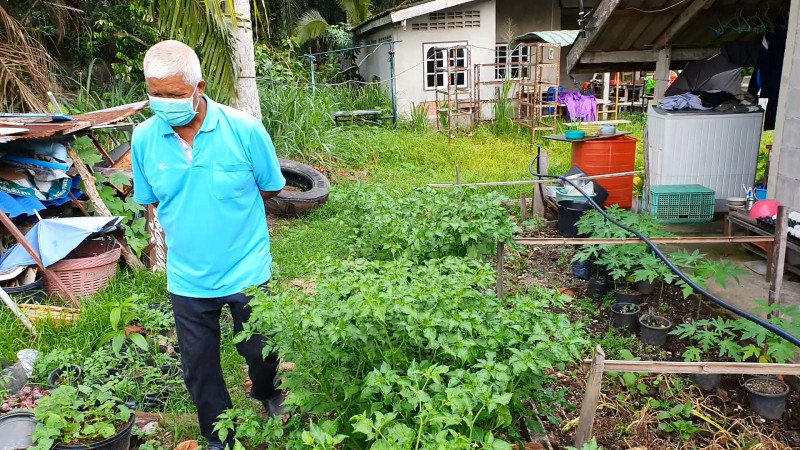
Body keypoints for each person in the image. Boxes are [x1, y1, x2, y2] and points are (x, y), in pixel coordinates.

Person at [131, 40, 286, 449]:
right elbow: (150, 201)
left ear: (199, 87)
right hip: (188, 276)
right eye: (156, 95)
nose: (165, 103)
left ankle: (267, 390)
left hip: (245, 267)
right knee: (199, 367)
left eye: (175, 95)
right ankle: (219, 437)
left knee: (260, 349)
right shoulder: (144, 138)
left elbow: (269, 188)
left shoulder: (244, 129)